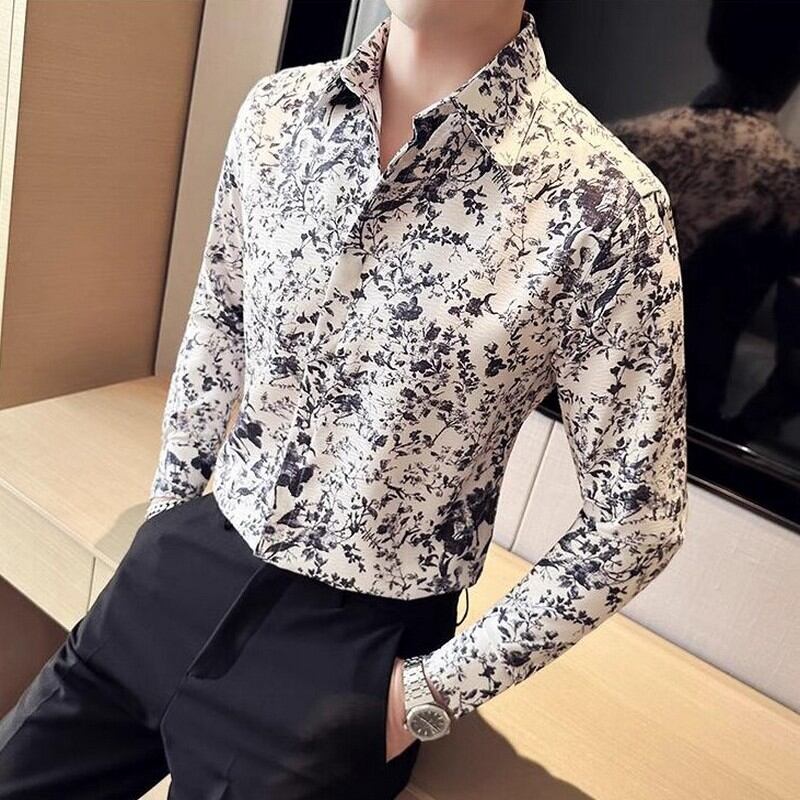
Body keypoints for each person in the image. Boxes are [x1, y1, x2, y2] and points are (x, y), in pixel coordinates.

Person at [0, 1, 688, 798]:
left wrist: (423, 698)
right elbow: (220, 321)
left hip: (351, 652)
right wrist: (168, 512)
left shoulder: (604, 206)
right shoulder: (277, 113)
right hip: (185, 564)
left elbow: (638, 519)